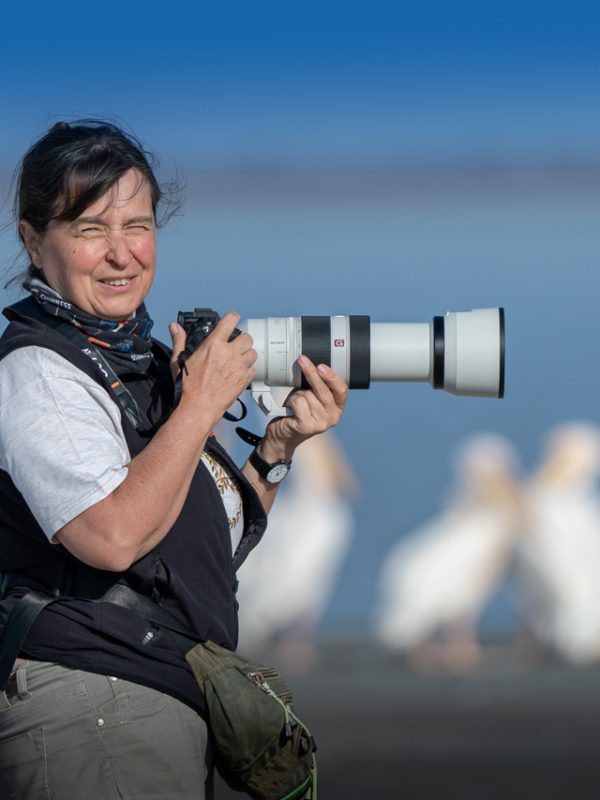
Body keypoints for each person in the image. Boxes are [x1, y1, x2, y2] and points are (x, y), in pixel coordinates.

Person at [0, 119, 348, 799]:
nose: (122, 254)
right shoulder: (39, 371)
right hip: (89, 706)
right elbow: (111, 536)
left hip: (146, 698)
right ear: (33, 239)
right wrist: (199, 407)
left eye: (137, 225)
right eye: (89, 229)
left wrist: (275, 453)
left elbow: (186, 554)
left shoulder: (138, 365)